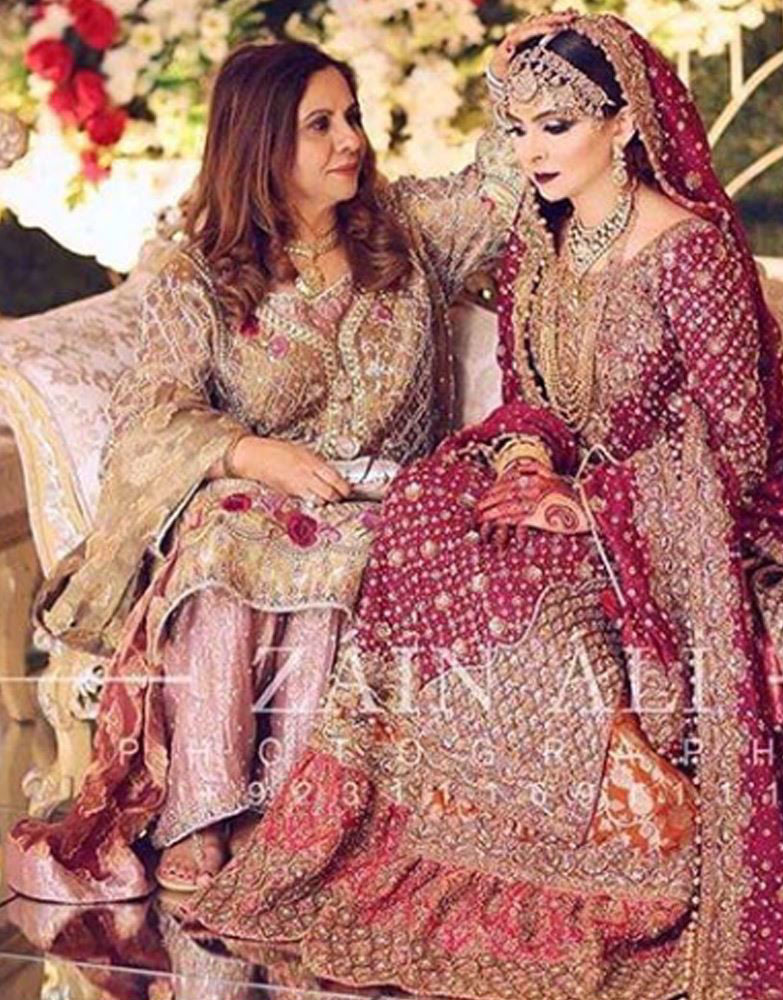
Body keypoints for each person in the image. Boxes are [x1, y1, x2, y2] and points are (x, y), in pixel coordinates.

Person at [188, 14, 783, 1000]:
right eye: (518, 128)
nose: (532, 150)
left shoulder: (689, 253)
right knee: (428, 512)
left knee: (536, 612)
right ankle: (423, 835)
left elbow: (737, 451)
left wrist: (594, 502)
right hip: (566, 496)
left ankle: (611, 850)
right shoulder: (543, 240)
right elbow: (533, 399)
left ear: (624, 123)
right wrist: (527, 459)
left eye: (555, 126)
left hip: (670, 518)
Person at [3, 26, 551, 901]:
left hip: (383, 503)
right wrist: (255, 455)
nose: (351, 141)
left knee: (338, 550)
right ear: (261, 143)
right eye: (320, 125)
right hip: (252, 500)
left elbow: (504, 186)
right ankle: (204, 809)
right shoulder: (197, 275)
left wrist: (511, 75)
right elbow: (150, 418)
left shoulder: (406, 233)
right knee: (228, 537)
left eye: (351, 118)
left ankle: (292, 818)